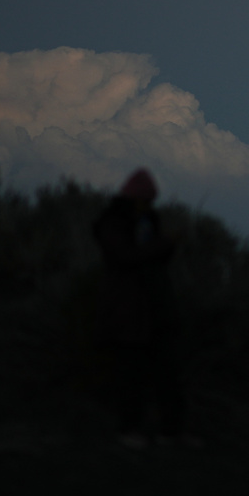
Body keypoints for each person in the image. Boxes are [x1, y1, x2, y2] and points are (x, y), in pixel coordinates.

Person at [93, 167, 196, 449]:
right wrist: (165, 244)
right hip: (128, 309)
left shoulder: (145, 219)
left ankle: (170, 430)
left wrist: (166, 247)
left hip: (152, 307)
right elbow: (127, 258)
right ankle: (129, 429)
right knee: (131, 373)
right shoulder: (113, 222)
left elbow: (150, 259)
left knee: (166, 371)